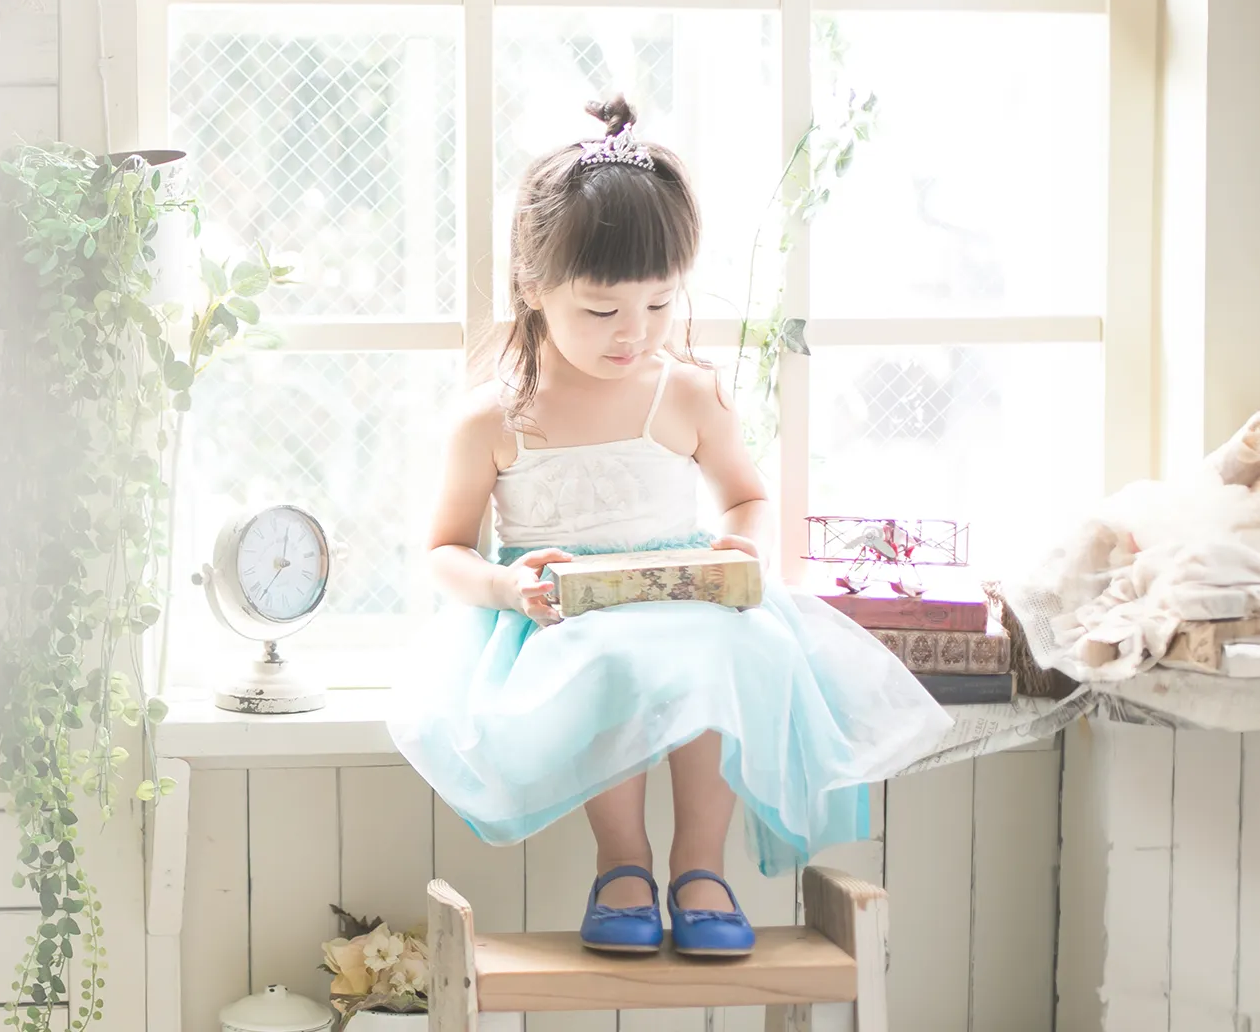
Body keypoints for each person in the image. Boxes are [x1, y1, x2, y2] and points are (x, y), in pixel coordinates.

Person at [387, 96, 951, 957]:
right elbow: (442, 550)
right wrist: (503, 584)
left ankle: (699, 865)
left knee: (735, 650)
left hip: (685, 594)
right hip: (563, 614)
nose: (635, 333)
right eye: (602, 311)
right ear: (533, 289)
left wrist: (743, 545)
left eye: (658, 305)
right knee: (606, 660)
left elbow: (746, 496)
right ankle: (622, 862)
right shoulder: (493, 418)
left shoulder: (686, 392)